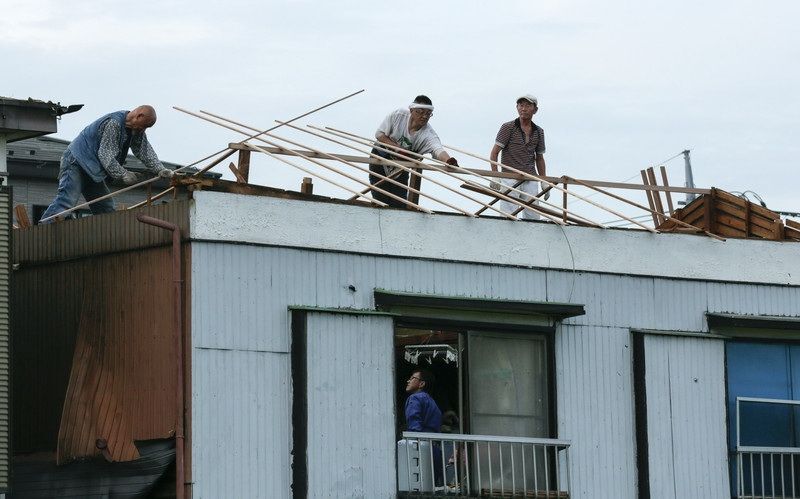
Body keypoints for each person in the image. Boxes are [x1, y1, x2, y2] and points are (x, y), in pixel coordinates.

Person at [39, 105, 174, 223]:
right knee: (67, 201)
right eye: (145, 125)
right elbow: (106, 155)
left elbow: (144, 151)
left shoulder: (136, 129)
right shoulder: (114, 123)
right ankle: (43, 229)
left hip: (92, 169)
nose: (144, 130)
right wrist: (124, 174)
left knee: (105, 208)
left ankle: (107, 240)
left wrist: (160, 169)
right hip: (76, 162)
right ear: (139, 116)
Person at [369, 95, 459, 208]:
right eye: (420, 112)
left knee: (399, 204)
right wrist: (396, 148)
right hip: (381, 158)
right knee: (380, 199)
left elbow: (438, 150)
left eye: (428, 113)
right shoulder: (398, 115)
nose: (424, 116)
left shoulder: (428, 135)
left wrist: (448, 160)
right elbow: (379, 135)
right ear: (411, 110)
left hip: (401, 167)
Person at [489, 94, 548, 220]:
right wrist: (495, 175)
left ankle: (532, 238)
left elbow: (540, 158)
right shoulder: (508, 127)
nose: (524, 109)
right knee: (508, 216)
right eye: (521, 105)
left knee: (533, 215)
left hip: (530, 177)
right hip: (510, 176)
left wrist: (544, 180)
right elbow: (494, 153)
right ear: (517, 108)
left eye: (528, 106)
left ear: (535, 110)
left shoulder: (539, 131)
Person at [404, 369, 444, 486]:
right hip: (434, 448)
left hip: (421, 447)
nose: (408, 381)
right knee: (432, 485)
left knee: (418, 486)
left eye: (412, 378)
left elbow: (414, 424)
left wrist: (414, 446)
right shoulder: (432, 402)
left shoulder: (415, 398)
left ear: (421, 384)